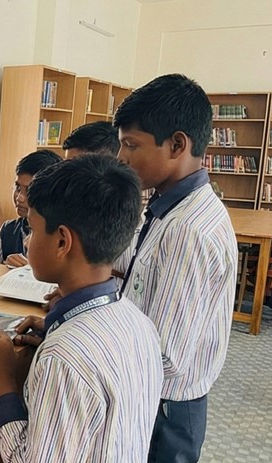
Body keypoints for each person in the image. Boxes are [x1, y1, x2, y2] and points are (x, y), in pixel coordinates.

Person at [0, 154, 164, 462]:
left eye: (33, 230)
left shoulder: (63, 357)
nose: (26, 243)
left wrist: (3, 383)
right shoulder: (138, 321)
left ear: (63, 242)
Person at [113, 73, 237, 462]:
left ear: (177, 145)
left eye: (131, 145)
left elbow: (164, 355)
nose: (121, 158)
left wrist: (89, 342)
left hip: (165, 410)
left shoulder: (188, 230)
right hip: (155, 396)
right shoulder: (168, 207)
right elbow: (137, 269)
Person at [0, 150, 61, 266]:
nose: (20, 198)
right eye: (17, 188)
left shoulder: (61, 236)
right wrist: (4, 266)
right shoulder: (8, 230)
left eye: (29, 190)